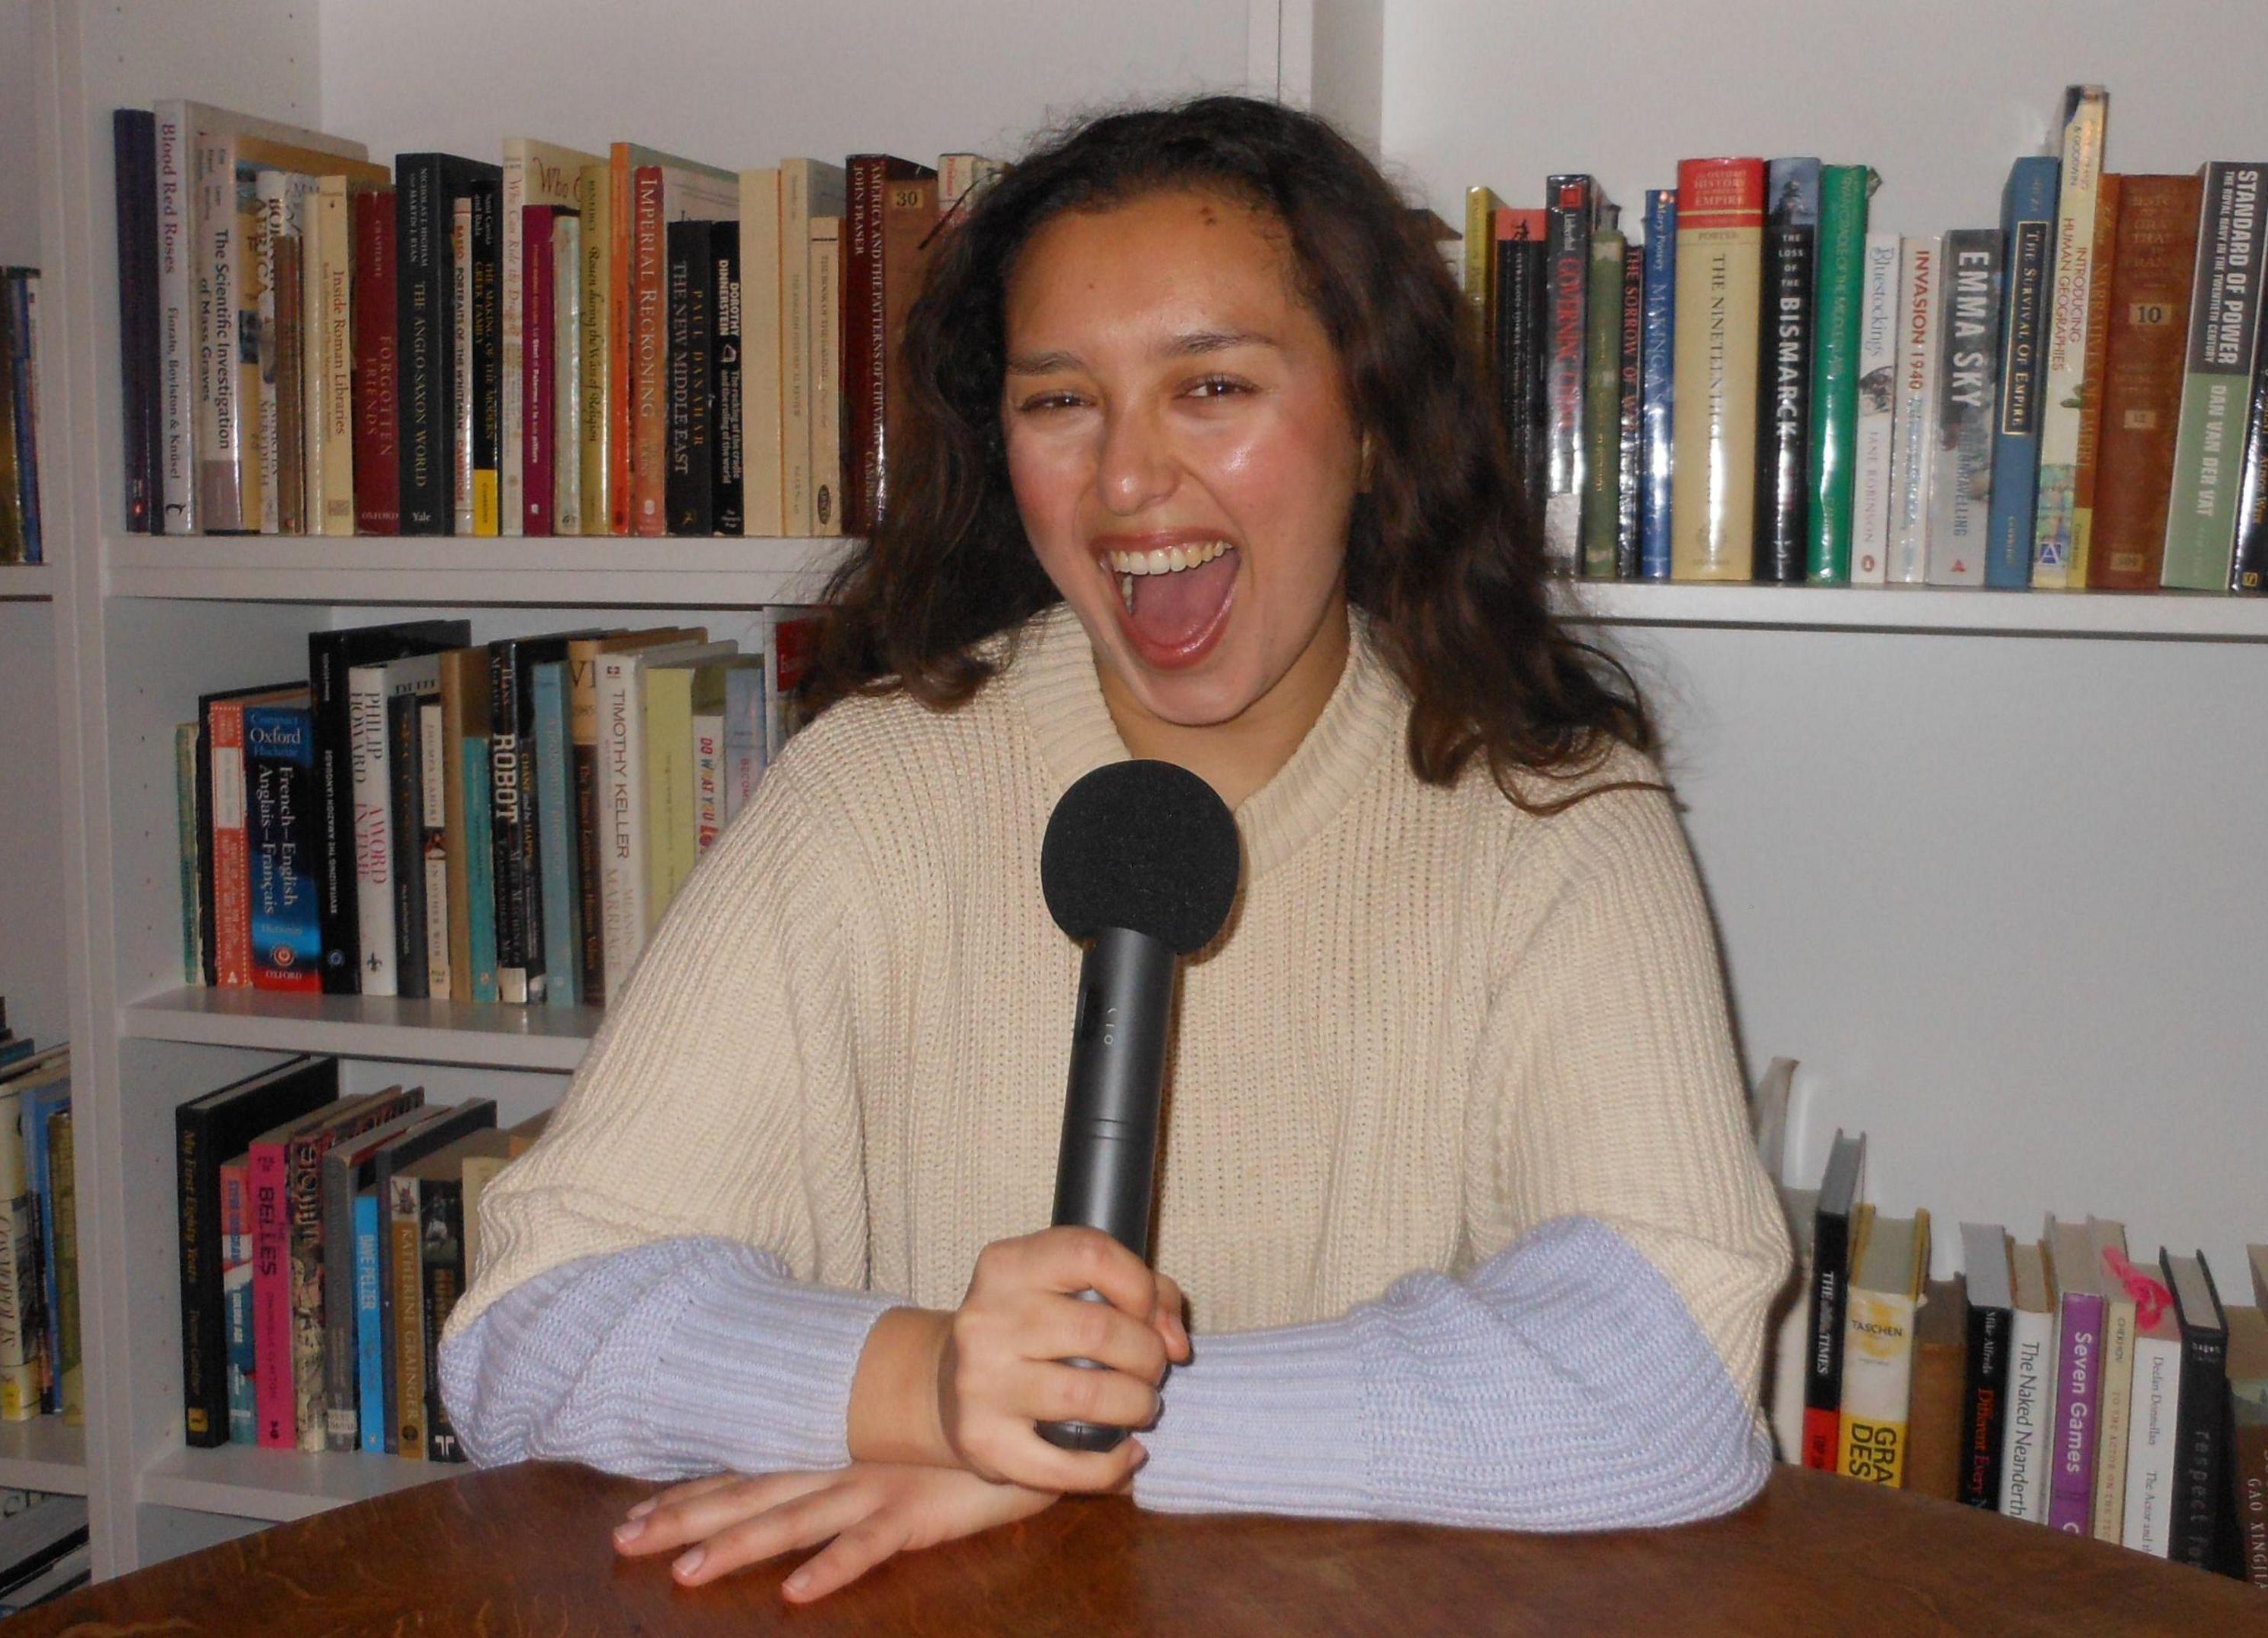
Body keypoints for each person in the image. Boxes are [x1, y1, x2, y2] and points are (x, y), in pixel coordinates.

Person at [438, 93, 1790, 1604]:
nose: (1129, 480)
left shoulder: (1561, 814)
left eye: (1211, 387)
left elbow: (1661, 1380)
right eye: (1059, 402)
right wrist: (928, 1380)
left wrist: (1053, 1434)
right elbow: (523, 1333)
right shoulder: (869, 790)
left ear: (1375, 422)